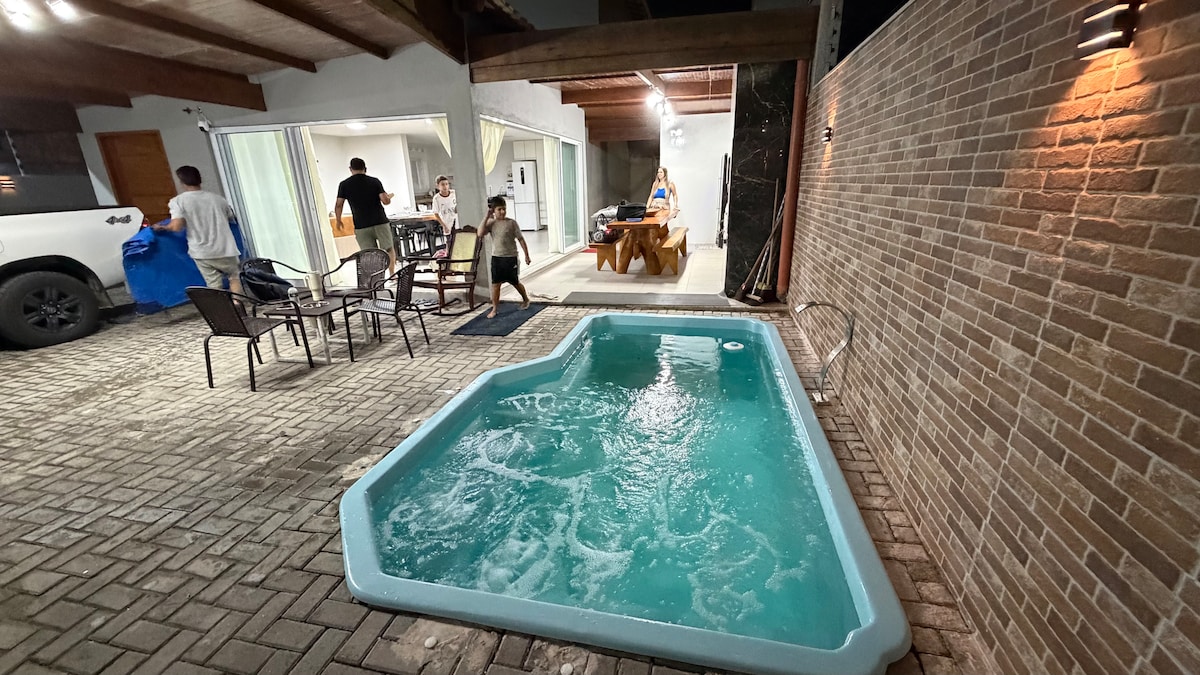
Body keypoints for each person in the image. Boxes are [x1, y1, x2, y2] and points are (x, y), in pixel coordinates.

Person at [155, 165, 243, 295]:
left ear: (182, 182)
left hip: (202, 251)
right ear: (200, 179)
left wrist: (163, 227)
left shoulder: (178, 201)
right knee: (234, 277)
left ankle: (221, 307)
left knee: (214, 284)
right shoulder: (218, 199)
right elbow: (231, 218)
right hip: (226, 248)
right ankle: (238, 302)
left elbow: (176, 226)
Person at [336, 158, 396, 272]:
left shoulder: (344, 185)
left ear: (350, 169)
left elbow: (339, 205)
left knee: (370, 254)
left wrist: (338, 220)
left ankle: (376, 277)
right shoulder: (374, 181)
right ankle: (392, 274)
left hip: (361, 225)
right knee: (388, 248)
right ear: (365, 169)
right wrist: (389, 197)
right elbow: (385, 201)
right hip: (380, 221)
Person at [478, 196, 531, 319]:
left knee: (515, 282)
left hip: (510, 258)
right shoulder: (491, 223)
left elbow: (521, 239)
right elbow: (480, 233)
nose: (502, 212)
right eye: (499, 209)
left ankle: (526, 299)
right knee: (495, 285)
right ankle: (495, 309)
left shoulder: (511, 223)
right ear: (493, 211)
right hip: (497, 258)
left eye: (504, 209)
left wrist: (526, 255)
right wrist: (487, 216)